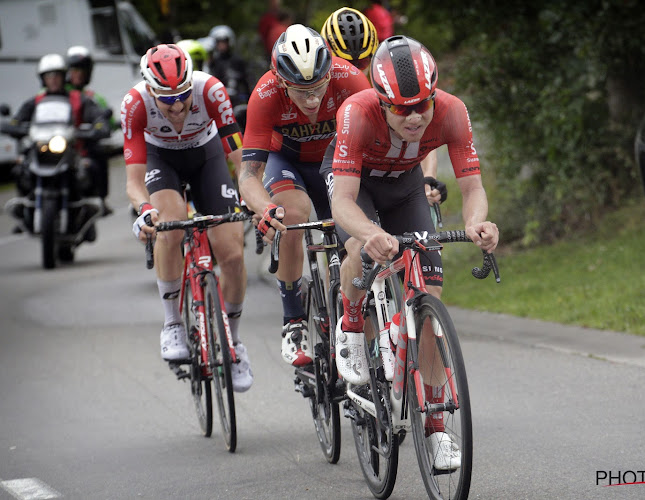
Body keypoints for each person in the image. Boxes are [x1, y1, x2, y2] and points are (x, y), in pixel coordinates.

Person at [322, 35, 499, 470]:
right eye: (402, 108)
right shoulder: (356, 114)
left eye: (424, 103)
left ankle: (436, 426)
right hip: (356, 185)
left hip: (405, 188)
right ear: (381, 101)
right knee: (361, 251)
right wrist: (368, 233)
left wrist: (477, 222)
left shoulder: (453, 111)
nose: (416, 116)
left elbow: (472, 187)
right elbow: (342, 202)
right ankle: (350, 319)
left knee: (430, 295)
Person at [236, 24, 370, 367]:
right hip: (287, 162)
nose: (311, 100)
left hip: (334, 161)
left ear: (330, 72)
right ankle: (293, 321)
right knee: (290, 215)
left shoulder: (350, 78)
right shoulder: (265, 95)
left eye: (318, 88)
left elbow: (375, 143)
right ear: (282, 82)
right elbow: (248, 174)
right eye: (300, 91)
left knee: (353, 235)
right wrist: (265, 208)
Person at [121, 44, 253, 392]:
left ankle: (234, 343)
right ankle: (173, 324)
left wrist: (250, 197)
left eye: (182, 96)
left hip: (206, 156)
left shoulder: (210, 90)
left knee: (234, 254)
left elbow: (240, 158)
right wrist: (143, 209)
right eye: (167, 100)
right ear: (151, 91)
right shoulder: (135, 104)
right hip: (160, 159)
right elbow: (134, 183)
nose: (177, 106)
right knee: (170, 224)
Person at [320, 7, 445, 213]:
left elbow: (419, 138)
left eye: (362, 62)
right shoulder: (315, 94)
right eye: (346, 63)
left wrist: (428, 178)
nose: (354, 71)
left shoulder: (387, 83)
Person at [8, 53, 109, 171]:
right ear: (43, 79)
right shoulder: (35, 101)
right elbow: (17, 119)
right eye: (49, 76)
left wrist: (99, 126)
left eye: (57, 75)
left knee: (96, 161)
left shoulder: (80, 98)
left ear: (64, 76)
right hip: (42, 148)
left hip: (74, 150)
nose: (53, 80)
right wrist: (13, 126)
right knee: (20, 168)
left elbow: (96, 116)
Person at [66, 45, 115, 215]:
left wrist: (106, 125)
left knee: (99, 154)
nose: (78, 74)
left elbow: (108, 119)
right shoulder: (53, 93)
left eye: (82, 70)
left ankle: (101, 199)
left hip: (81, 143)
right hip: (55, 140)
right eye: (74, 70)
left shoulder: (93, 97)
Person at [207, 25, 253, 109]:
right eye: (219, 42)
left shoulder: (238, 60)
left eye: (224, 42)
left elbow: (246, 80)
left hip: (238, 100)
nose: (222, 45)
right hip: (220, 100)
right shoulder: (213, 62)